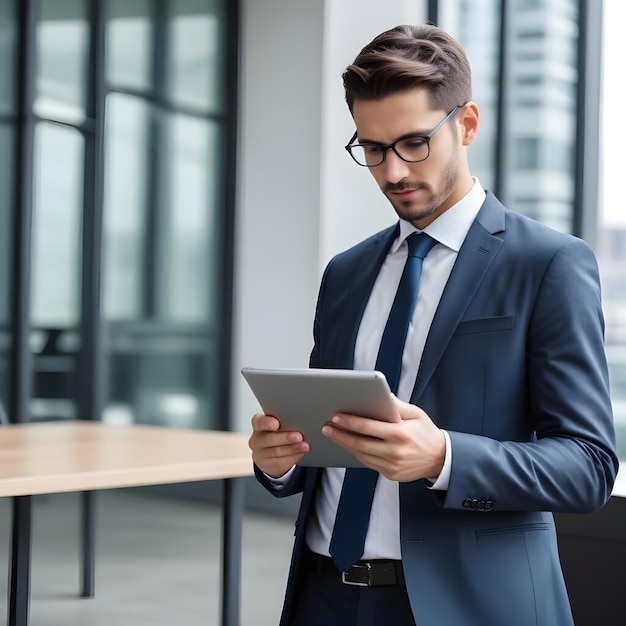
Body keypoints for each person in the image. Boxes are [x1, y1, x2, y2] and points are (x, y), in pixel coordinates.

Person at [248, 23, 618, 626]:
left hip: (464, 605)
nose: (392, 172)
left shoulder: (548, 263)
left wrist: (444, 456)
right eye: (372, 148)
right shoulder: (346, 273)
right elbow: (327, 438)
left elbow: (589, 466)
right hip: (324, 594)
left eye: (414, 143)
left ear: (466, 124)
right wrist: (282, 460)